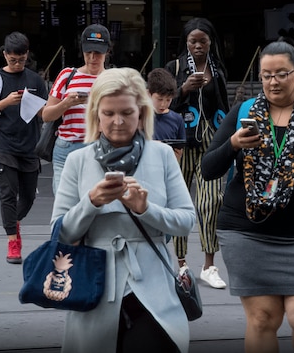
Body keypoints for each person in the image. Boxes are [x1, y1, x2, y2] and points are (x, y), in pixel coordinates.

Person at [201, 41, 294, 353]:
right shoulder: (242, 113)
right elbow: (208, 169)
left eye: (281, 74)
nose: (273, 81)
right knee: (261, 319)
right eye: (266, 75)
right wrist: (233, 144)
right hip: (248, 232)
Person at [51, 67, 196, 353]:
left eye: (127, 113)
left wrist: (146, 209)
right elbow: (60, 232)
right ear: (96, 115)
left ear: (141, 113)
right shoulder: (78, 160)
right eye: (108, 113)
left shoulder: (163, 154)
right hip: (94, 286)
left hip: (153, 288)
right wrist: (90, 203)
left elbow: (186, 221)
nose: (118, 122)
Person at [164, 17, 230, 289]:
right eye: (193, 41)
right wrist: (184, 89)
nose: (198, 46)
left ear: (211, 42)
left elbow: (223, 106)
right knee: (181, 204)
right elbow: (161, 102)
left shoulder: (218, 69)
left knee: (211, 201)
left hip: (211, 141)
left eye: (203, 41)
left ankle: (209, 265)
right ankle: (181, 264)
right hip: (181, 141)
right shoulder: (175, 67)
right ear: (186, 42)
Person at [0, 32, 48, 264]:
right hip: (3, 145)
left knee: (29, 196)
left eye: (21, 60)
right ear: (5, 55)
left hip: (30, 146)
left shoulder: (35, 80)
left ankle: (14, 222)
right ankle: (13, 241)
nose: (17, 64)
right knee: (8, 194)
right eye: (12, 60)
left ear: (27, 55)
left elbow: (44, 113)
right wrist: (5, 102)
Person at [42, 24, 111, 195]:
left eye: (98, 53)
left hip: (98, 147)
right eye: (88, 53)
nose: (92, 58)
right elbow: (46, 115)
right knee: (63, 209)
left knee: (92, 207)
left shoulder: (112, 79)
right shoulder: (67, 75)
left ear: (107, 52)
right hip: (67, 147)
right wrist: (67, 103)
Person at [146, 68, 185, 162]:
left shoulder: (177, 119)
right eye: (159, 99)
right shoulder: (139, 117)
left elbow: (180, 148)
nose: (163, 104)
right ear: (148, 94)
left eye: (168, 100)